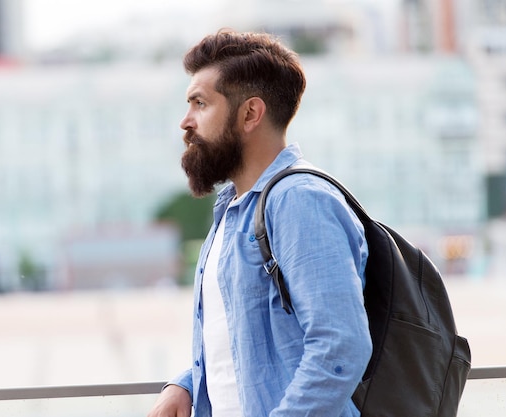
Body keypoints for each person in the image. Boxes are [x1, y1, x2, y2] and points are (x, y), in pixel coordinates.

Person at [148, 29, 372, 417]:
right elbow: (248, 340)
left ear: (250, 113)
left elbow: (341, 347)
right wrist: (186, 386)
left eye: (200, 103)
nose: (185, 121)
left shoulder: (300, 201)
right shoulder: (233, 210)